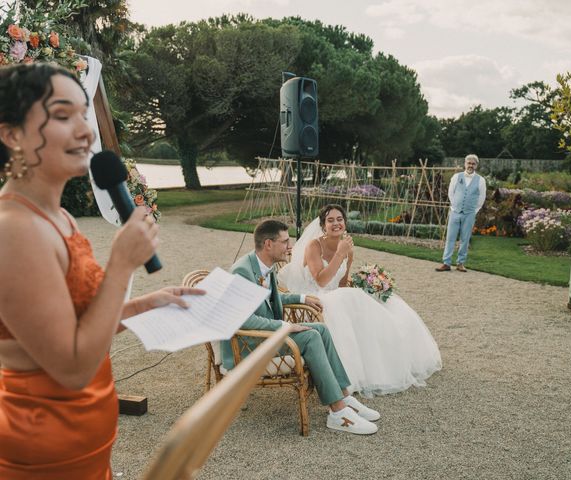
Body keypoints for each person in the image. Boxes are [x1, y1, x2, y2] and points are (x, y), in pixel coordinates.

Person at [0, 63, 204, 479]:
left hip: (87, 445)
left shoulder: (59, 218)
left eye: (83, 114)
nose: (86, 132)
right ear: (12, 134)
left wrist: (150, 303)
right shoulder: (13, 230)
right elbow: (72, 367)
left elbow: (79, 326)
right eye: (62, 116)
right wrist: (121, 264)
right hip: (44, 452)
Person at [224, 219, 380, 435]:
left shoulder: (263, 265)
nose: (290, 247)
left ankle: (344, 396)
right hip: (249, 343)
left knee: (321, 329)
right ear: (268, 244)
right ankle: (337, 414)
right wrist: (285, 326)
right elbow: (243, 321)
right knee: (311, 337)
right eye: (285, 242)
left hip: (266, 335)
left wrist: (303, 297)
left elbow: (271, 297)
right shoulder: (242, 272)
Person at [278, 205, 442, 398]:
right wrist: (340, 253)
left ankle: (382, 364)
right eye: (330, 220)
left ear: (345, 223)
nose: (336, 223)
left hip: (336, 295)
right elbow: (321, 280)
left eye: (339, 219)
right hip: (313, 298)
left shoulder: (348, 249)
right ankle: (344, 376)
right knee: (348, 301)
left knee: (385, 305)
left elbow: (342, 284)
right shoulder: (314, 246)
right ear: (323, 225)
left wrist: (369, 285)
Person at [435, 154, 486, 272]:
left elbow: (481, 198)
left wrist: (474, 211)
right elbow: (450, 193)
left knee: (465, 238)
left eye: (473, 164)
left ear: (476, 166)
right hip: (455, 211)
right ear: (465, 164)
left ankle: (460, 263)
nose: (470, 165)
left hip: (469, 213)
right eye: (469, 163)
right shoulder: (456, 177)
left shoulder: (481, 180)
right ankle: (446, 263)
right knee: (450, 237)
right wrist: (454, 206)